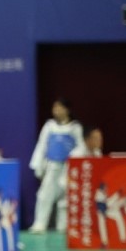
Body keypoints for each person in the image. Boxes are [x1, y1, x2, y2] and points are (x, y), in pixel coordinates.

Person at [28, 98, 84, 234]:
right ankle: (40, 224)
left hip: (68, 168)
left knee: (65, 199)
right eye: (54, 108)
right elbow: (42, 146)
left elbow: (81, 147)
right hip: (52, 166)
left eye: (59, 107)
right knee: (44, 195)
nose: (56, 111)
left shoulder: (75, 128)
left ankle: (63, 226)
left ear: (67, 110)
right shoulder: (49, 126)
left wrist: (73, 157)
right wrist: (38, 167)